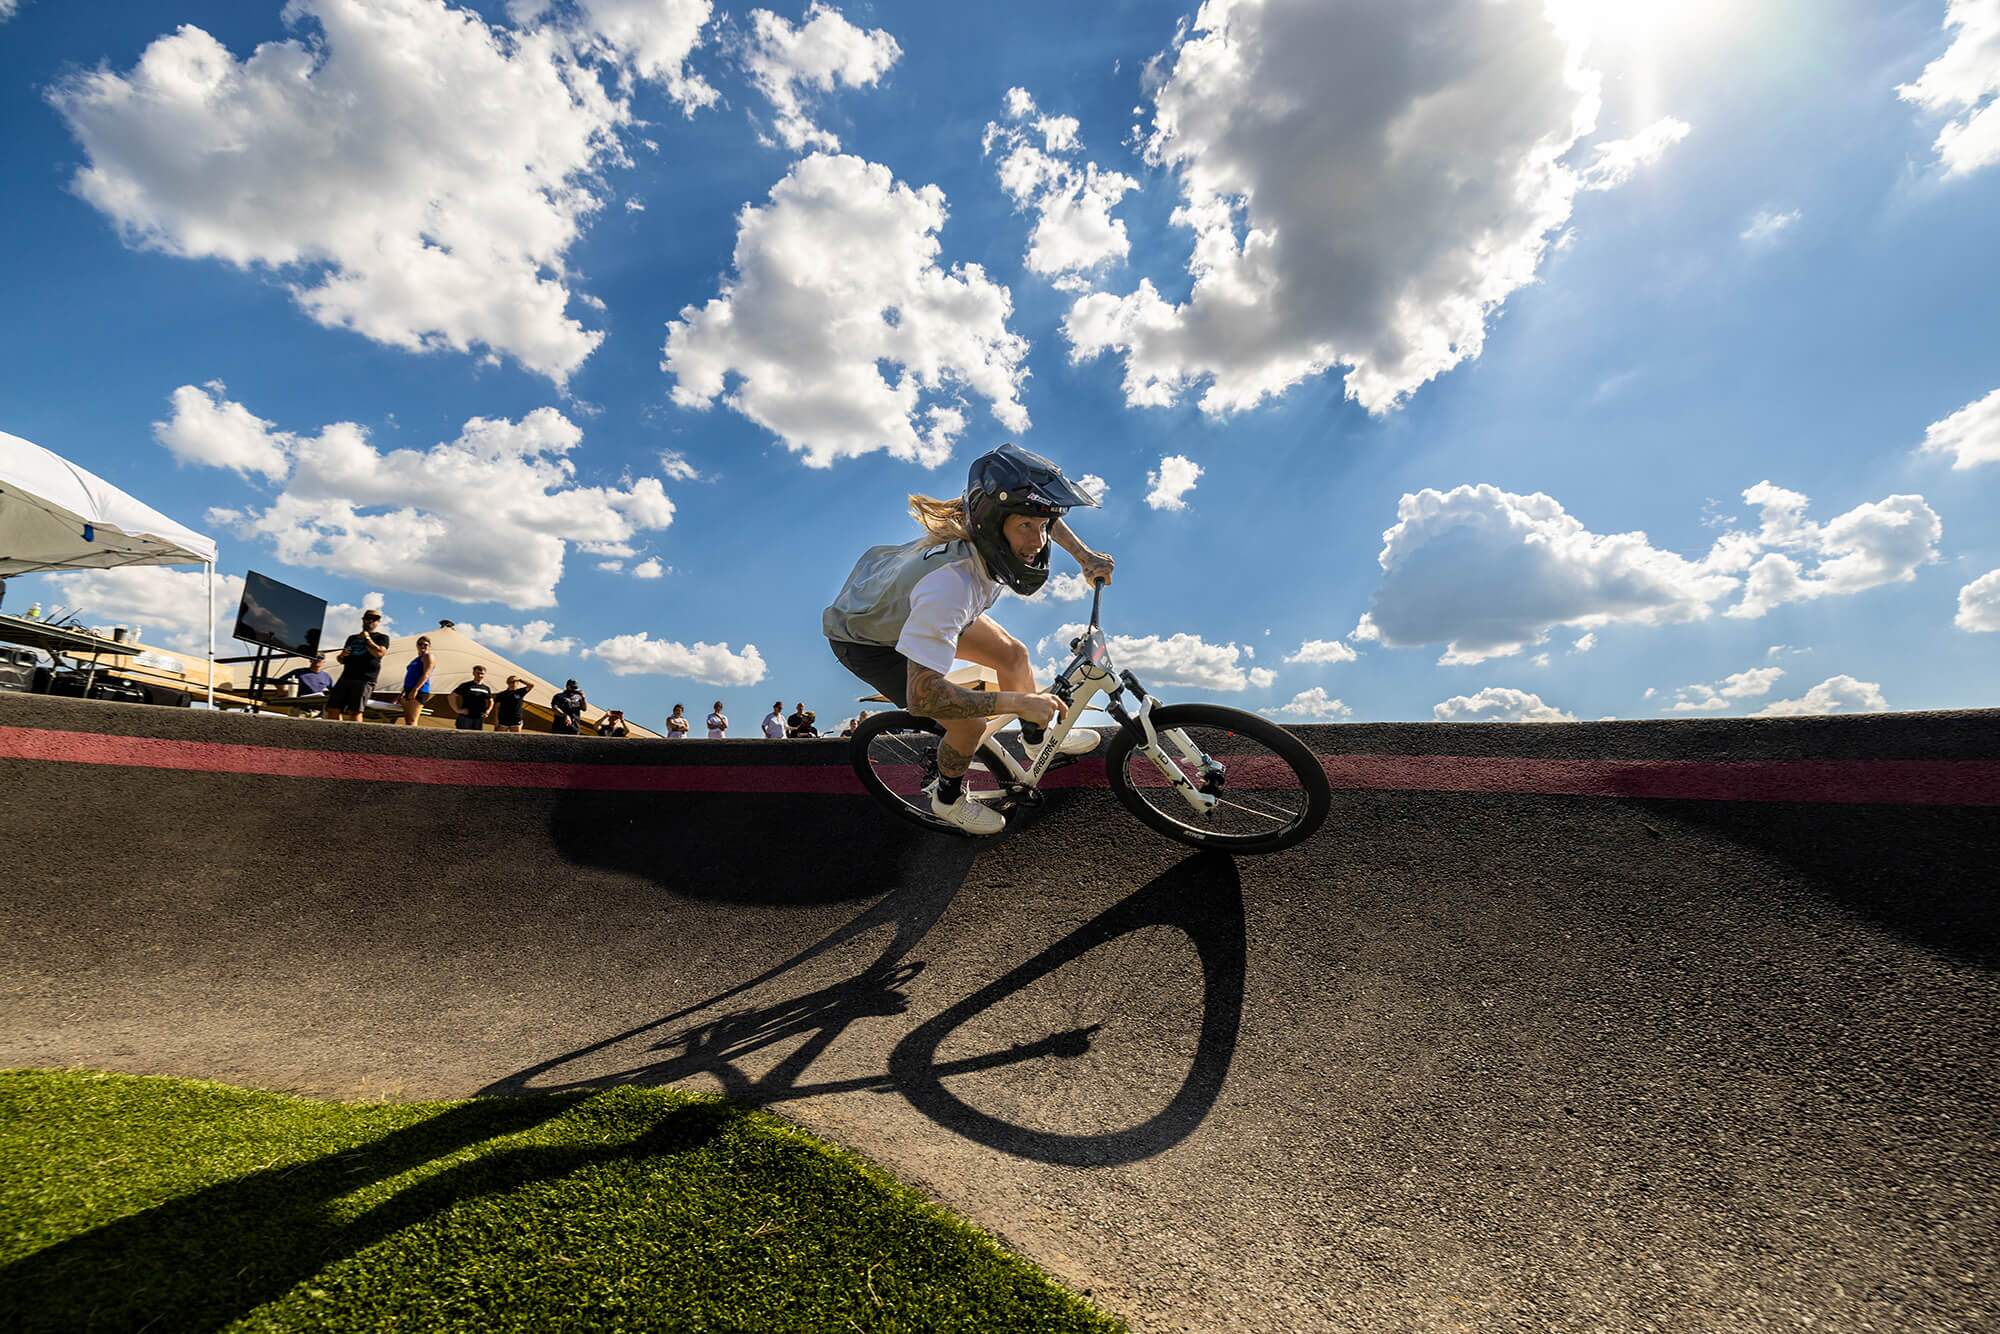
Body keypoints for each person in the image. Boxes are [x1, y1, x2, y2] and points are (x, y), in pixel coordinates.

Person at [824, 443, 1113, 835]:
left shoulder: (987, 511)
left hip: (913, 607)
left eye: (1041, 527)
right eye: (1025, 528)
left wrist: (1085, 556)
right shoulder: (951, 587)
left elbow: (1041, 511)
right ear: (994, 525)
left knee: (1013, 655)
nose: (1039, 540)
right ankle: (946, 799)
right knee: (969, 726)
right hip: (870, 643)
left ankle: (1036, 742)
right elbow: (924, 695)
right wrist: (1018, 701)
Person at [325, 609, 390, 722]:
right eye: (368, 618)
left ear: (378, 622)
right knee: (333, 708)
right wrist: (342, 656)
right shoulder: (352, 638)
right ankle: (335, 734)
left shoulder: (382, 638)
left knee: (355, 711)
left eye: (374, 619)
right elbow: (341, 659)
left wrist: (367, 638)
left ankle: (354, 738)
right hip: (346, 676)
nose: (370, 621)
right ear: (363, 620)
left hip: (364, 678)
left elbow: (380, 653)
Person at [396, 635, 435, 725]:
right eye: (420, 644)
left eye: (425, 644)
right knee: (408, 721)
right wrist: (401, 694)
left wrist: (416, 689)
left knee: (412, 721)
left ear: (429, 646)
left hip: (419, 690)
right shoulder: (416, 659)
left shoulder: (428, 656)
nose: (422, 646)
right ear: (417, 645)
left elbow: (426, 674)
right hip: (408, 690)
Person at [450, 664, 496, 732]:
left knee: (475, 738)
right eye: (478, 673)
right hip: (465, 718)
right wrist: (457, 710)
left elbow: (491, 701)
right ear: (473, 673)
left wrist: (488, 711)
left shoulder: (486, 688)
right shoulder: (465, 685)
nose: (480, 675)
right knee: (462, 738)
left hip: (478, 718)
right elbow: (451, 696)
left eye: (482, 674)